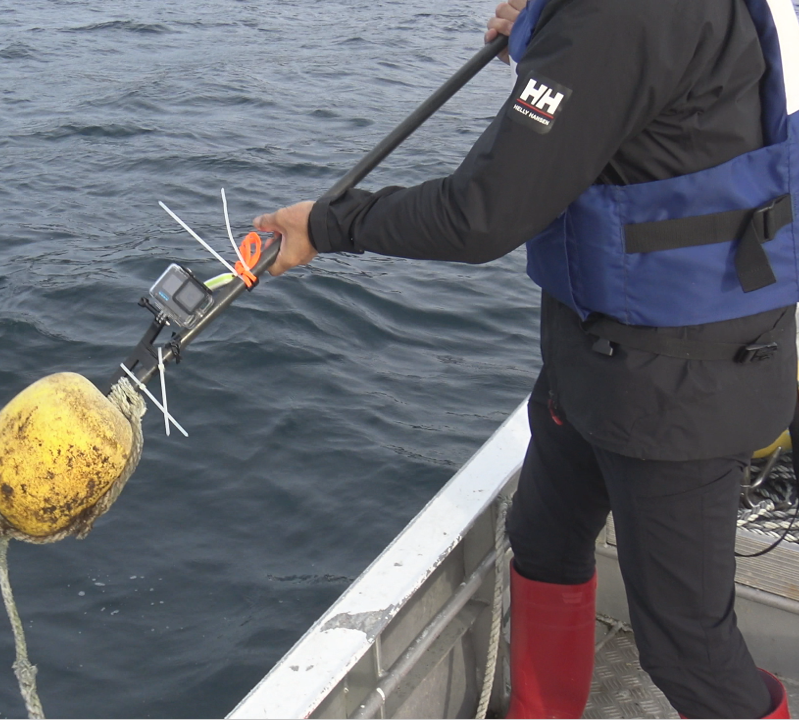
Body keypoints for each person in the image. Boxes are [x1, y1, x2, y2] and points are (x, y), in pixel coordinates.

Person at [254, 0, 798, 717]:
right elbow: (619, 88)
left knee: (685, 647)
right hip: (593, 350)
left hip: (677, 378)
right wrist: (540, 31)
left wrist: (325, 224)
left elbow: (478, 215)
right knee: (541, 540)